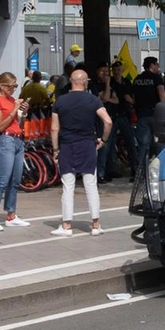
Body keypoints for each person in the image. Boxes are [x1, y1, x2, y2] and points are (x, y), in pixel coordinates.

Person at [50, 69, 113, 236]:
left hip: (67, 145)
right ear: (85, 82)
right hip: (87, 144)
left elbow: (54, 128)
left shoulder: (60, 102)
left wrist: (55, 149)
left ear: (71, 81)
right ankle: (95, 225)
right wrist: (103, 140)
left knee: (68, 186)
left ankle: (66, 226)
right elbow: (108, 121)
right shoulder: (93, 100)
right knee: (91, 184)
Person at [0, 72, 31, 232]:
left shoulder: (12, 100)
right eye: (11, 86)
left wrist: (23, 112)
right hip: (6, 140)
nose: (13, 90)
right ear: (2, 86)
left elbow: (20, 123)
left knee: (15, 180)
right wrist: (14, 110)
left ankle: (11, 214)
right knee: (2, 180)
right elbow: (0, 125)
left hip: (17, 139)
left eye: (15, 86)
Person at [100, 60, 137, 181]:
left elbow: (131, 97)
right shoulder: (109, 82)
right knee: (109, 145)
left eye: (119, 69)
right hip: (112, 116)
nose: (117, 72)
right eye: (115, 70)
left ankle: (135, 169)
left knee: (130, 143)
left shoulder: (126, 82)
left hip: (124, 115)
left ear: (123, 70)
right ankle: (110, 170)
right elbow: (107, 98)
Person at [132, 56, 165, 165]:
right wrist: (164, 109)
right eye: (157, 65)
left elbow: (133, 97)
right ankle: (160, 167)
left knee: (143, 144)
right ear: (152, 65)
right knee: (160, 143)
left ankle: (141, 171)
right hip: (155, 114)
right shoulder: (156, 78)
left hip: (142, 115)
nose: (158, 67)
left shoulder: (137, 79)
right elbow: (161, 93)